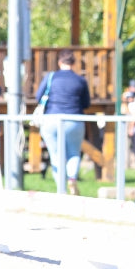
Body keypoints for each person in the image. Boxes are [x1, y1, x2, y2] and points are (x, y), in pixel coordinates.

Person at [35, 49, 91, 195]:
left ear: (60, 62)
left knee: (55, 154)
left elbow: (38, 96)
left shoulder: (51, 77)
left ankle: (61, 189)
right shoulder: (80, 80)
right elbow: (86, 104)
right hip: (74, 120)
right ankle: (72, 178)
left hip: (51, 120)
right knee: (74, 153)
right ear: (74, 63)